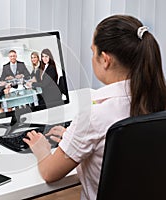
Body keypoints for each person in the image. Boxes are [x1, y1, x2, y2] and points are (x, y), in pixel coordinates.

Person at [23, 15, 166, 200]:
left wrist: (42, 148)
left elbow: (50, 172)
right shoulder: (158, 97)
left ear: (105, 59)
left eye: (93, 51)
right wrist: (72, 137)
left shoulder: (95, 114)